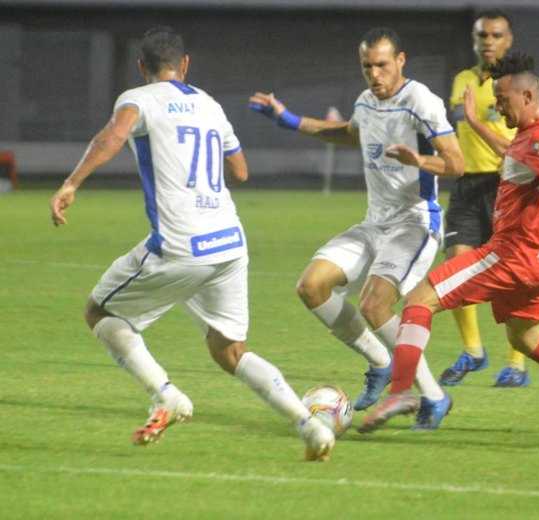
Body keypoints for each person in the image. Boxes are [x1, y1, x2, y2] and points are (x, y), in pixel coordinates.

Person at [49, 27, 335, 461]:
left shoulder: (138, 98)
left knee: (98, 312)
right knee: (231, 351)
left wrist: (72, 183)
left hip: (179, 246)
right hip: (228, 244)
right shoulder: (209, 103)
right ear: (184, 66)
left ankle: (165, 395)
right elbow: (239, 172)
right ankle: (310, 427)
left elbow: (112, 135)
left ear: (142, 67)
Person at [359, 52, 539, 435]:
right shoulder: (530, 137)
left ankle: (401, 392)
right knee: (526, 338)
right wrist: (472, 122)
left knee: (419, 298)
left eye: (502, 100)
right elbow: (512, 153)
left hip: (510, 256)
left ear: (528, 97)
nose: (497, 107)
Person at [248, 27, 464, 430]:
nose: (375, 74)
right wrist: (289, 120)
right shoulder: (366, 102)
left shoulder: (421, 102)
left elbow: (457, 162)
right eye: (367, 67)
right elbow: (350, 134)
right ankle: (380, 361)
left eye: (382, 65)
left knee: (373, 304)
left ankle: (433, 395)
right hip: (374, 223)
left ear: (400, 61)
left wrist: (419, 160)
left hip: (415, 222)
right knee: (311, 286)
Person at [440, 9, 532, 389]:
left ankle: (517, 362)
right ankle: (473, 351)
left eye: (495, 35)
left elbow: (530, 132)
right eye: (482, 36)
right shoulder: (462, 79)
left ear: (508, 40)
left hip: (505, 186)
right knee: (457, 265)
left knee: (511, 274)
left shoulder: (518, 82)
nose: (488, 42)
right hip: (465, 184)